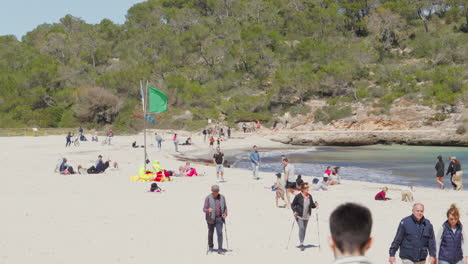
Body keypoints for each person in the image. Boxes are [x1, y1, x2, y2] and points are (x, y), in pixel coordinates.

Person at [291, 182, 318, 249]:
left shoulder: (310, 196)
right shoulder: (298, 196)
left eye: (307, 187)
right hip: (299, 215)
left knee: (304, 230)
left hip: (307, 215)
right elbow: (292, 204)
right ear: (302, 189)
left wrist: (315, 205)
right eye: (306, 188)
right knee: (301, 228)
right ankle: (301, 243)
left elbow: (312, 205)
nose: (307, 189)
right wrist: (294, 211)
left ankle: (302, 241)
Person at [203, 185, 228, 254]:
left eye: (217, 191)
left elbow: (225, 208)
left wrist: (225, 214)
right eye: (214, 191)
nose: (216, 193)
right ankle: (211, 247)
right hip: (210, 219)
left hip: (220, 218)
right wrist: (208, 210)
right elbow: (204, 209)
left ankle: (220, 248)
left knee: (220, 233)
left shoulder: (222, 197)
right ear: (212, 191)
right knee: (211, 233)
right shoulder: (208, 198)